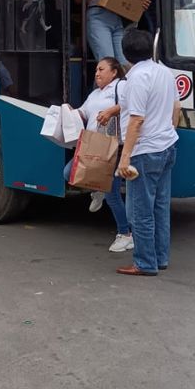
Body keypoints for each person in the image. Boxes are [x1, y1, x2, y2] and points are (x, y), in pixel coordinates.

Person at [116, 27, 180, 276]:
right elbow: (176, 108)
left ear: (125, 53)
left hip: (145, 151)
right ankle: (160, 258)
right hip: (167, 146)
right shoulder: (164, 72)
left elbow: (136, 120)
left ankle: (144, 263)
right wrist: (167, 132)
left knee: (140, 211)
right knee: (160, 207)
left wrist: (125, 157)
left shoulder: (136, 78)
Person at [63, 57, 134, 253]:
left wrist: (112, 110)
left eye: (101, 69)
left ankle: (125, 234)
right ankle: (98, 190)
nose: (97, 73)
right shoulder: (95, 93)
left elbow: (132, 105)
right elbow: (84, 113)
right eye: (96, 70)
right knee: (69, 173)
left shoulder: (121, 86)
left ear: (114, 72)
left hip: (113, 146)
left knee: (112, 195)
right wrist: (70, 112)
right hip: (93, 145)